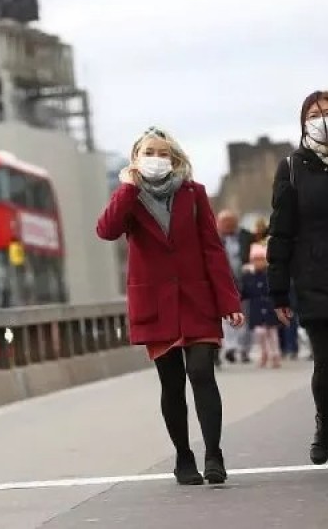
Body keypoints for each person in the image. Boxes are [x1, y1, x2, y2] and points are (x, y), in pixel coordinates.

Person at [96, 126, 244, 486]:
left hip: (197, 300)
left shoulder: (194, 194)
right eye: (150, 152)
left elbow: (212, 248)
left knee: (202, 373)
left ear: (175, 159)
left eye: (164, 153)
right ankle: (183, 455)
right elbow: (107, 230)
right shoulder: (128, 198)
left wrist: (229, 300)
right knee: (172, 383)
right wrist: (129, 187)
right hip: (156, 304)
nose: (157, 159)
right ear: (136, 159)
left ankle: (214, 454)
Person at [267, 90, 328, 465]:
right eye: (316, 113)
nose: (323, 118)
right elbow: (281, 232)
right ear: (304, 121)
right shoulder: (292, 167)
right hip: (315, 278)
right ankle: (326, 424)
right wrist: (278, 292)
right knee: (327, 361)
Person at [216, 210, 254, 364]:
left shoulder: (246, 237)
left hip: (245, 282)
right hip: (226, 283)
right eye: (224, 222)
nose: (227, 225)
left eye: (230, 222)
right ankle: (231, 348)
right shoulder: (215, 238)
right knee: (227, 318)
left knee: (247, 317)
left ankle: (244, 349)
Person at [241, 242, 281, 368]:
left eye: (261, 260)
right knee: (259, 333)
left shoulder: (270, 274)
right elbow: (244, 292)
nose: (258, 263)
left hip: (269, 307)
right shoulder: (248, 276)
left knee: (272, 333)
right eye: (255, 260)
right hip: (256, 308)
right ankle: (264, 353)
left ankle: (275, 354)